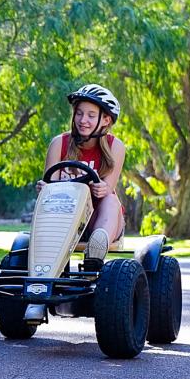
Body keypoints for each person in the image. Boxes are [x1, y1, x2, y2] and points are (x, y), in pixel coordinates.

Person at [36, 83, 127, 265]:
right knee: (48, 202)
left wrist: (102, 188)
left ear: (106, 120)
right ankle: (39, 266)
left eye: (91, 115)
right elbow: (50, 188)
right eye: (79, 113)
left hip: (99, 220)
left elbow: (109, 187)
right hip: (64, 220)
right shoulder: (59, 144)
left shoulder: (115, 146)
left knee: (110, 199)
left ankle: (96, 249)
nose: (82, 120)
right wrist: (44, 188)